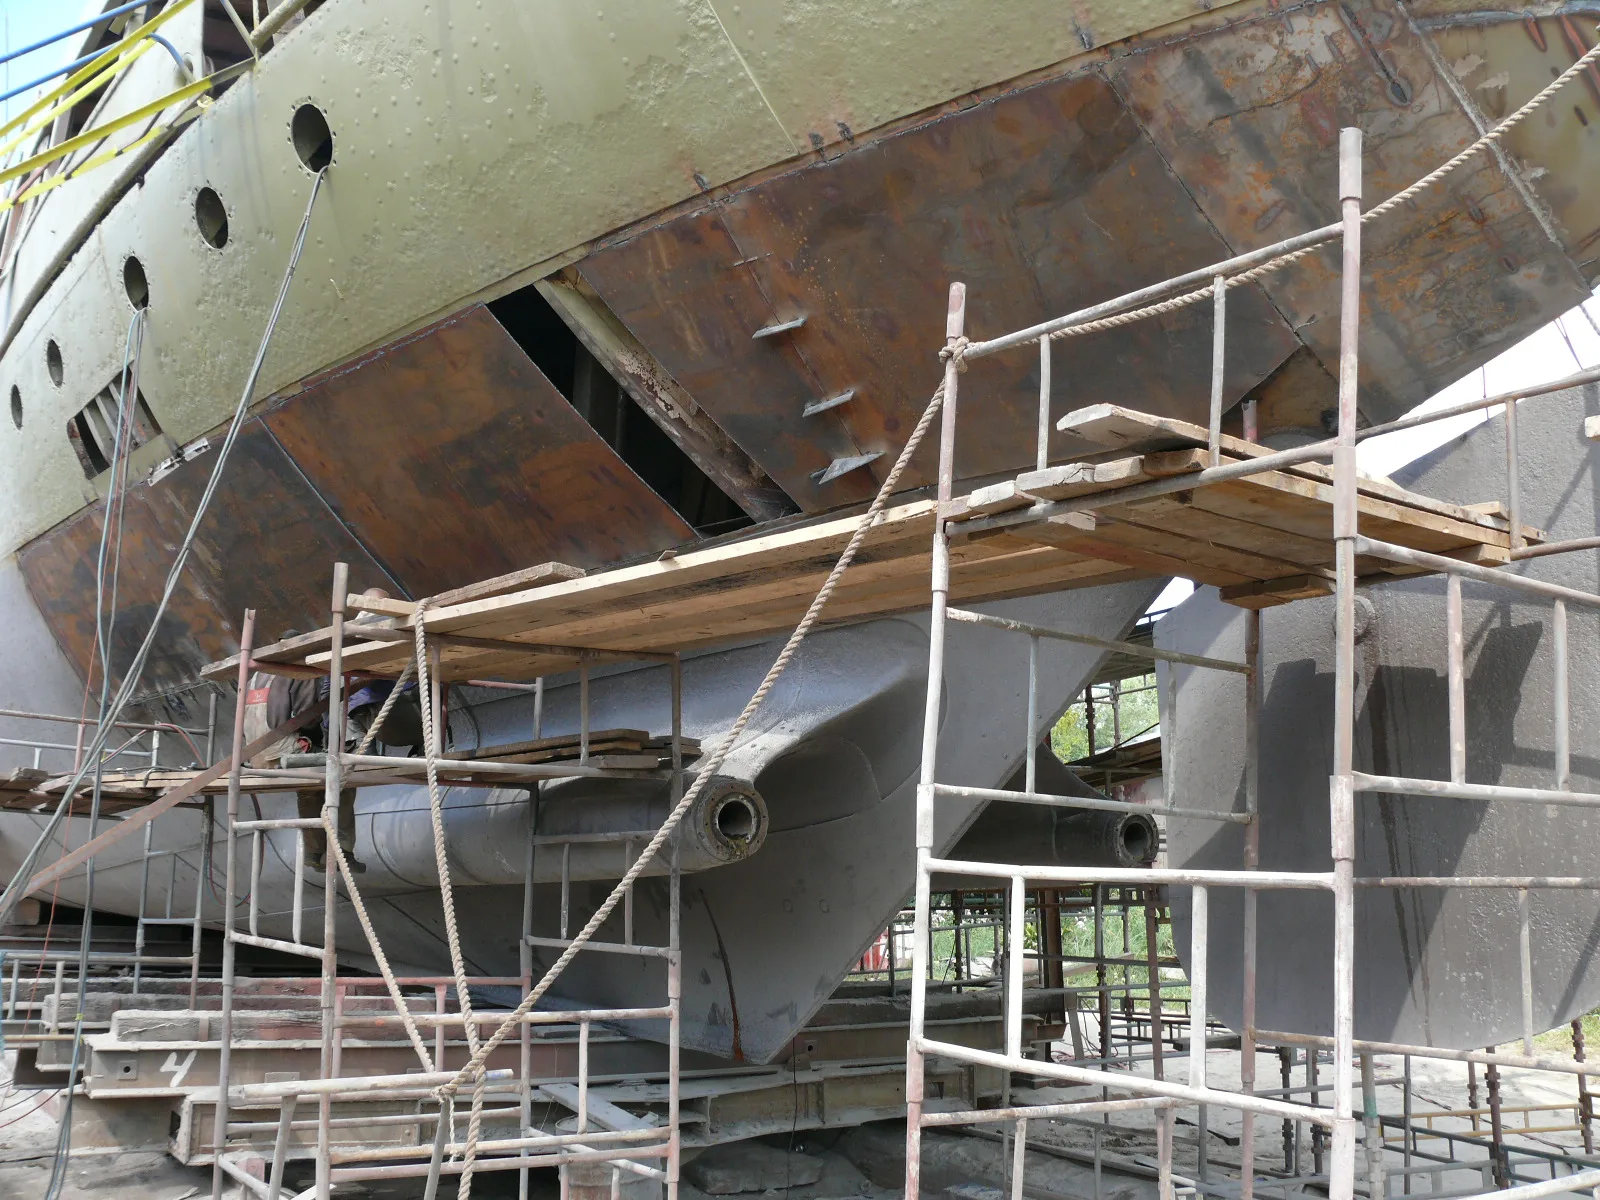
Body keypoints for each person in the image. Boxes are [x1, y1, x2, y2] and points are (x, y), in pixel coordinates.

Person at [241, 630, 365, 874]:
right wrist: (324, 740)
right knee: (344, 776)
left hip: (255, 755)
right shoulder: (299, 670)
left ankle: (314, 852)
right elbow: (307, 717)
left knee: (308, 788)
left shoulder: (257, 675)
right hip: (282, 750)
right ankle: (343, 852)